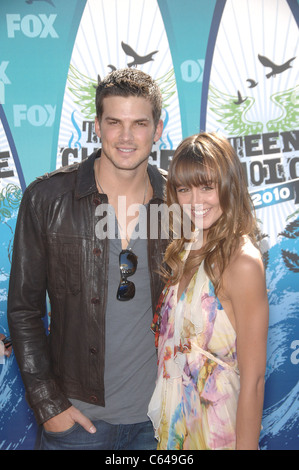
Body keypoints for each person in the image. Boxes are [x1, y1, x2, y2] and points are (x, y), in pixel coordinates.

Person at [7, 68, 168, 450]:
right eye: (114, 122)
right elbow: (24, 310)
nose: (126, 137)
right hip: (77, 426)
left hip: (161, 423)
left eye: (139, 123)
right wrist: (49, 407)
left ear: (157, 130)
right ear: (97, 126)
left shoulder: (177, 202)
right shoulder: (48, 199)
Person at [148, 132, 269, 450]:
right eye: (184, 189)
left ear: (228, 185)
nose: (195, 202)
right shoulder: (186, 246)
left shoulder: (242, 263)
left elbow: (254, 381)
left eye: (207, 187)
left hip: (218, 432)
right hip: (176, 429)